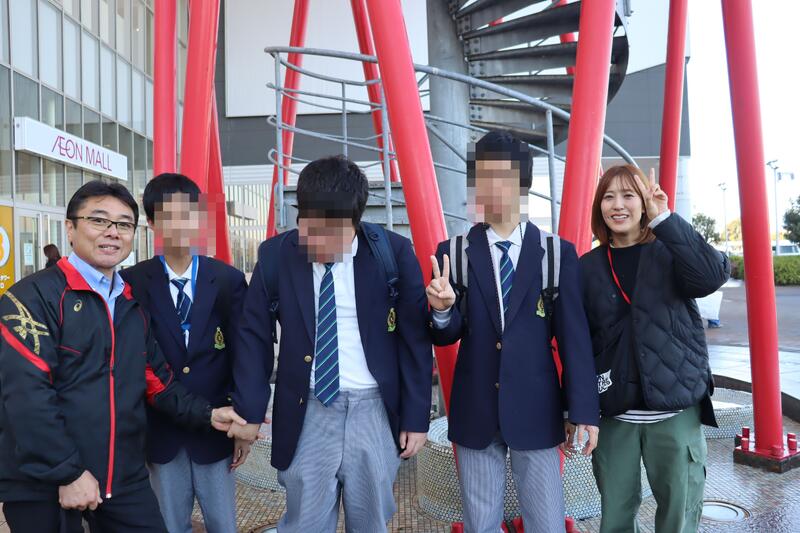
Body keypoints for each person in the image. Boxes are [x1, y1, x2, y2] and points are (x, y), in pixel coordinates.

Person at [0, 180, 246, 533]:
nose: (112, 232)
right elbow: (27, 397)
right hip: (43, 482)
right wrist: (67, 472)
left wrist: (209, 414)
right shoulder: (30, 299)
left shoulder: (129, 303)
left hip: (122, 477)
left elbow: (158, 383)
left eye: (123, 224)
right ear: (70, 228)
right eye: (98, 220)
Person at [231, 155, 433, 532]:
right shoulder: (276, 256)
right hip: (306, 407)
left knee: (371, 521)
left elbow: (415, 340)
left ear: (355, 222)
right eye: (310, 228)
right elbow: (253, 337)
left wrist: (416, 417)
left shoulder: (393, 253)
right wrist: (249, 412)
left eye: (331, 233)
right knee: (305, 522)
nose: (318, 242)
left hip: (373, 408)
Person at [427, 130, 600, 533]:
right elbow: (446, 335)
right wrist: (442, 311)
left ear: (523, 183)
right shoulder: (453, 253)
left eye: (503, 176)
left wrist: (582, 411)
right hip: (476, 409)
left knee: (546, 522)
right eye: (483, 176)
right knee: (480, 524)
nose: (493, 187)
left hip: (538, 409)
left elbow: (574, 339)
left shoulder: (556, 254)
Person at [580, 165, 729, 533]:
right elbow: (579, 343)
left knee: (679, 515)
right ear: (599, 206)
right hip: (615, 416)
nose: (618, 205)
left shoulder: (670, 253)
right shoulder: (586, 267)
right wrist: (577, 408)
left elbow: (712, 275)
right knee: (615, 518)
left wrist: (665, 218)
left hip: (675, 410)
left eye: (628, 195)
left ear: (644, 203)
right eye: (609, 197)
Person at [120, 173, 248, 533]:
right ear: (151, 223)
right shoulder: (132, 282)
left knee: (224, 524)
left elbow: (244, 356)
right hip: (161, 433)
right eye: (168, 216)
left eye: (187, 214)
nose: (179, 224)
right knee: (169, 525)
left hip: (217, 431)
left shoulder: (227, 280)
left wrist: (245, 421)